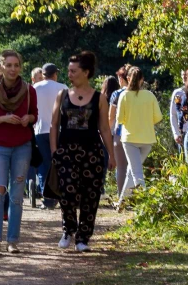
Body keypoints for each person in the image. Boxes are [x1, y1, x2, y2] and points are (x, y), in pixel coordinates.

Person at [50, 52, 115, 252]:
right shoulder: (62, 95)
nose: (69, 74)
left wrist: (111, 154)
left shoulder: (100, 98)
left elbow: (104, 128)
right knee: (67, 193)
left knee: (90, 196)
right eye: (68, 71)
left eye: (73, 71)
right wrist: (54, 151)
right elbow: (54, 125)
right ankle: (68, 229)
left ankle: (83, 238)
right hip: (66, 152)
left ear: (86, 72)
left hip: (92, 152)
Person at [0, 50, 38, 253]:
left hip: (22, 146)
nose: (13, 69)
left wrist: (29, 119)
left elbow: (34, 114)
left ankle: (13, 241)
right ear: (1, 67)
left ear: (20, 67)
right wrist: (3, 118)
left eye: (16, 65)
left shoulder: (29, 90)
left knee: (17, 195)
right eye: (9, 65)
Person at [115, 66, 163, 206]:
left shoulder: (124, 95)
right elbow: (157, 117)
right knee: (133, 170)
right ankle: (121, 202)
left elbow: (120, 119)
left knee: (136, 172)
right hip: (147, 140)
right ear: (142, 80)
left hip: (129, 139)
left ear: (128, 79)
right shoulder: (150, 95)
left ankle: (147, 204)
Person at [32, 63, 68, 210]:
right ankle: (61, 194)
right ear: (55, 74)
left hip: (40, 130)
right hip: (58, 130)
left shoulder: (35, 88)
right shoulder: (63, 87)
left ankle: (47, 199)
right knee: (60, 163)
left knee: (43, 165)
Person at [107, 65, 132, 197]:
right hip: (137, 134)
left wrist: (107, 134)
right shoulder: (141, 93)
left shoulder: (116, 94)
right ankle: (134, 195)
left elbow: (111, 117)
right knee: (134, 167)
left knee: (121, 167)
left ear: (122, 78)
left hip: (120, 133)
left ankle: (122, 196)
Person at [170, 69, 188, 159]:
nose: (184, 77)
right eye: (182, 75)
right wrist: (176, 133)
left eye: (186, 75)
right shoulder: (178, 93)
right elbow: (173, 114)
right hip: (183, 133)